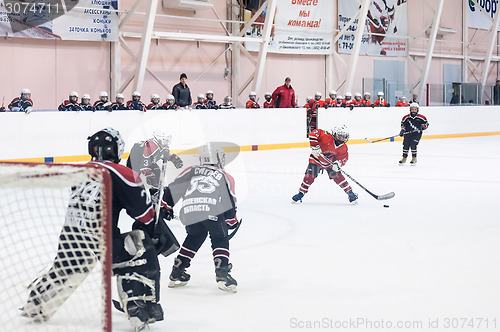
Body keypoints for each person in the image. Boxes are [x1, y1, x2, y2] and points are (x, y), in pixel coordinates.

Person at [20, 128, 166, 329]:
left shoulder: (81, 169)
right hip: (102, 237)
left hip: (71, 234)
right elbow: (144, 215)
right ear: (117, 149)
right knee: (139, 249)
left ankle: (36, 302)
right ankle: (137, 306)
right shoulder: (122, 173)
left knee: (69, 264)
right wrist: (153, 223)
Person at [162, 143, 240, 293]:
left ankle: (177, 270)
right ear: (218, 158)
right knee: (220, 237)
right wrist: (231, 221)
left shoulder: (190, 170)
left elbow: (173, 188)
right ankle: (222, 273)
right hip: (212, 210)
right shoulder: (225, 176)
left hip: (189, 211)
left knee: (194, 236)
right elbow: (229, 202)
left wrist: (166, 206)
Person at [292, 125, 358, 204]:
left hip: (330, 164)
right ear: (335, 134)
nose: (342, 138)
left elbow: (343, 158)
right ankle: (301, 193)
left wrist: (338, 164)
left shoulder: (343, 147)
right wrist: (314, 146)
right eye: (340, 136)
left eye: (344, 137)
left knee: (339, 177)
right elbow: (313, 133)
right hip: (316, 159)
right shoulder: (326, 136)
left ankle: (350, 193)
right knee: (309, 177)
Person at [127, 129, 184, 195]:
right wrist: (149, 174)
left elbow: (164, 155)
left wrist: (173, 159)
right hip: (136, 158)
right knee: (133, 177)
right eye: (166, 140)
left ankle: (155, 194)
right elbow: (143, 165)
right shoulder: (151, 146)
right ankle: (130, 194)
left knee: (157, 173)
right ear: (160, 139)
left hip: (148, 159)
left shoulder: (165, 147)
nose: (168, 141)